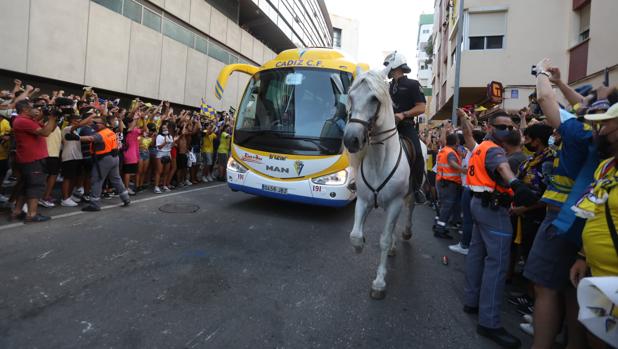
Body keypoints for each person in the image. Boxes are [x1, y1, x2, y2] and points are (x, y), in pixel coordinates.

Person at [522, 60, 595, 349]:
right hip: (583, 219)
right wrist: (562, 83)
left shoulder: (579, 131)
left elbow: (544, 98)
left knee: (546, 287)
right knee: (570, 289)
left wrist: (540, 72)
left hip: (561, 218)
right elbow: (580, 104)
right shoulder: (593, 133)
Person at [463, 111, 537, 349]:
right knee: (497, 265)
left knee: (476, 255)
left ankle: (471, 301)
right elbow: (503, 168)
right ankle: (489, 322)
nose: (507, 129)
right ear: (490, 127)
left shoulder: (481, 146)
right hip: (494, 210)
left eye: (511, 125)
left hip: (478, 205)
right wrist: (516, 184)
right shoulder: (494, 149)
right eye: (501, 126)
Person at [382, 51, 426, 202]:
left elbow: (421, 107)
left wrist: (403, 114)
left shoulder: (413, 84)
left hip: (406, 127)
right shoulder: (386, 86)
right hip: (387, 127)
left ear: (395, 65)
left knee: (419, 155)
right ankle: (359, 179)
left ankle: (416, 188)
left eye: (388, 65)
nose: (386, 68)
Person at [66, 116, 130, 211]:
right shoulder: (110, 131)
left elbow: (91, 138)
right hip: (114, 158)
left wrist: (76, 137)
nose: (93, 125)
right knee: (116, 179)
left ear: (103, 124)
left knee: (96, 180)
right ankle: (126, 198)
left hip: (104, 159)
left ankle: (94, 204)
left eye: (96, 123)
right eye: (93, 123)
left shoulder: (101, 134)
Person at [10, 100, 58, 222]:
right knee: (35, 186)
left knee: (25, 186)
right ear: (25, 110)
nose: (37, 110)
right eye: (33, 108)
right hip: (32, 159)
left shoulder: (29, 121)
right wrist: (52, 117)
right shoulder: (23, 121)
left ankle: (17, 211)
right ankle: (32, 214)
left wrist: (53, 118)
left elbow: (50, 129)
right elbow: (46, 133)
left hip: (29, 158)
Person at [433, 132, 463, 239]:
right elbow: (451, 163)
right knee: (447, 207)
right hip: (449, 183)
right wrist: (463, 170)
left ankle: (437, 224)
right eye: (458, 140)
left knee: (443, 205)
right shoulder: (450, 153)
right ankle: (440, 229)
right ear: (456, 142)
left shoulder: (444, 150)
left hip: (442, 181)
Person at [60, 114, 84, 207]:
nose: (79, 122)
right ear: (72, 121)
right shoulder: (67, 129)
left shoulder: (75, 132)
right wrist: (93, 114)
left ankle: (69, 196)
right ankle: (65, 199)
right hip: (69, 157)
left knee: (73, 178)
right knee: (67, 178)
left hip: (77, 157)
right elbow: (80, 125)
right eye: (77, 120)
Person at [154, 123, 173, 193]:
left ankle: (164, 185)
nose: (165, 129)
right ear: (161, 130)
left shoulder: (170, 136)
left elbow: (171, 146)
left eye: (166, 128)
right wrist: (165, 142)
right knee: (159, 171)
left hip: (168, 153)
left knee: (166, 171)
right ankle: (156, 187)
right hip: (161, 154)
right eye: (164, 128)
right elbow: (158, 147)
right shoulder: (159, 136)